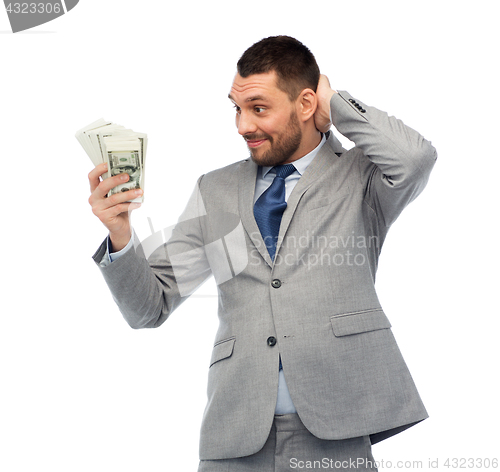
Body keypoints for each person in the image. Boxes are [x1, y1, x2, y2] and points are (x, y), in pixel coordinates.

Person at [88, 36, 437, 471]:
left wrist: (335, 100)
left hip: (338, 427)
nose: (242, 126)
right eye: (236, 108)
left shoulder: (360, 177)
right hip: (236, 435)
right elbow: (149, 307)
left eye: (258, 108)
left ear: (306, 104)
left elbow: (415, 158)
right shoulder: (215, 190)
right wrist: (121, 235)